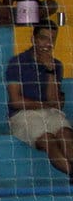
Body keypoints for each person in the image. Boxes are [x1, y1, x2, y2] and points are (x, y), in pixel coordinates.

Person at [5, 23, 72, 180]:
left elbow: (54, 101)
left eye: (52, 40)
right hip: (23, 114)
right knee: (48, 139)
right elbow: (16, 101)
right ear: (33, 39)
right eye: (43, 38)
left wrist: (50, 71)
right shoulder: (17, 63)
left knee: (66, 134)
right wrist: (45, 105)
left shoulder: (56, 65)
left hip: (49, 112)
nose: (47, 44)